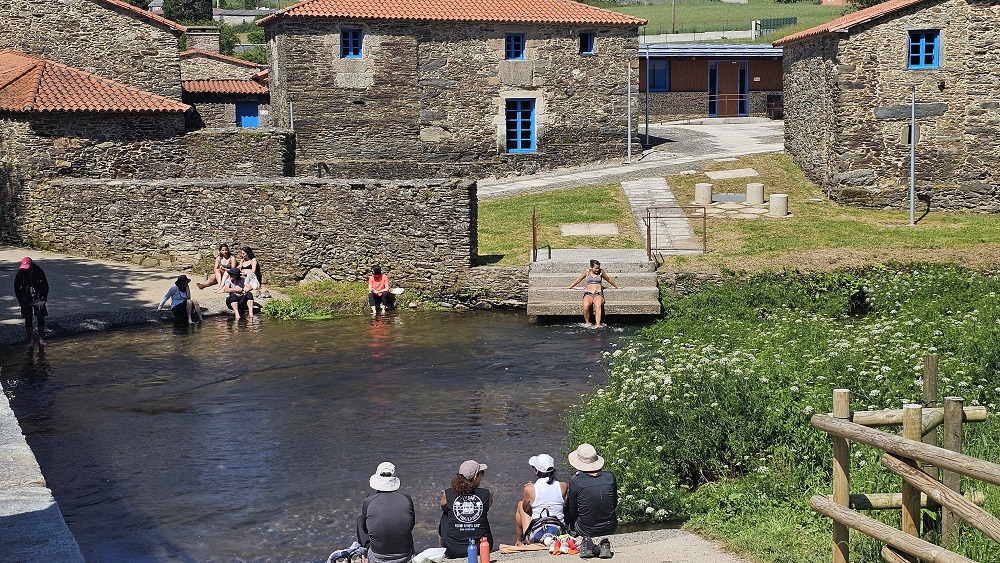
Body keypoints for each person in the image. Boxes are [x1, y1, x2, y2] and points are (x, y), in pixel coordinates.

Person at [356, 462, 416, 563]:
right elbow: (411, 525)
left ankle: (365, 555)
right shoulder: (407, 499)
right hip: (405, 556)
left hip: (378, 559)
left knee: (360, 520)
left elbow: (365, 530)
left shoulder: (368, 501)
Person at [439, 459, 493, 558]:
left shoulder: (448, 493)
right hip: (481, 547)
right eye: (481, 474)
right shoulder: (486, 494)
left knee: (446, 514)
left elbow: (443, 506)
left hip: (452, 549)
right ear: (475, 477)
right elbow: (488, 506)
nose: (481, 477)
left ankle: (441, 550)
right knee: (482, 512)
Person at [565, 444, 618, 543]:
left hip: (586, 530)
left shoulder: (575, 481)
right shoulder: (610, 477)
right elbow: (614, 503)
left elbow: (572, 511)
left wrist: (572, 527)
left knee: (567, 506)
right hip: (611, 527)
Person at [514, 453, 568, 545]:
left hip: (536, 538)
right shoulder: (563, 485)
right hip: (559, 534)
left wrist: (527, 493)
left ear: (536, 471)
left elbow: (526, 509)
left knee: (520, 505)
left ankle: (519, 541)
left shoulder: (529, 489)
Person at [565, 260, 623, 328]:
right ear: (591, 267)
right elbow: (579, 279)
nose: (597, 270)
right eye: (596, 268)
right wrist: (570, 286)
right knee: (586, 306)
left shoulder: (601, 272)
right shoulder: (587, 272)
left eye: (598, 268)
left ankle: (598, 324)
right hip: (589, 294)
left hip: (598, 294)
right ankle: (587, 322)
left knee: (597, 306)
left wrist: (617, 286)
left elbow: (609, 279)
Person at [14, 257, 49, 347]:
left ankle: (41, 339)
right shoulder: (20, 273)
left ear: (31, 265)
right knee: (28, 319)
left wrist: (44, 297)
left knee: (41, 318)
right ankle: (31, 340)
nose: (26, 269)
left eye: (27, 267)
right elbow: (16, 287)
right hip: (26, 299)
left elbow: (45, 284)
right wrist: (20, 299)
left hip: (38, 298)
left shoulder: (39, 271)